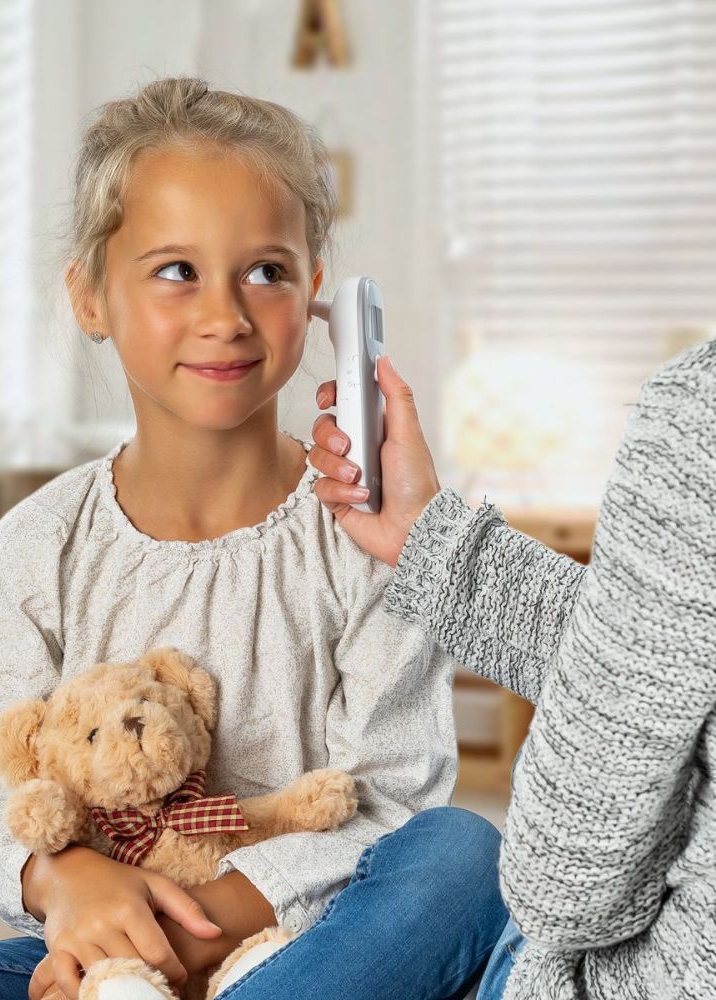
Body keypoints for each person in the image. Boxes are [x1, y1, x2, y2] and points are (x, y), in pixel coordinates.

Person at [0, 77, 507, 1000]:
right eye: (177, 270)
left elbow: (389, 804)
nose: (227, 315)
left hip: (313, 952)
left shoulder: (364, 531)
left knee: (462, 856)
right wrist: (66, 881)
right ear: (91, 297)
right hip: (112, 966)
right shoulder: (39, 544)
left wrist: (198, 942)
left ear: (318, 295)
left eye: (268, 271)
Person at [306, 341, 716, 999]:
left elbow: (562, 887)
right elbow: (668, 642)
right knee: (456, 843)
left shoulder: (700, 415)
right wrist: (431, 542)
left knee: (462, 857)